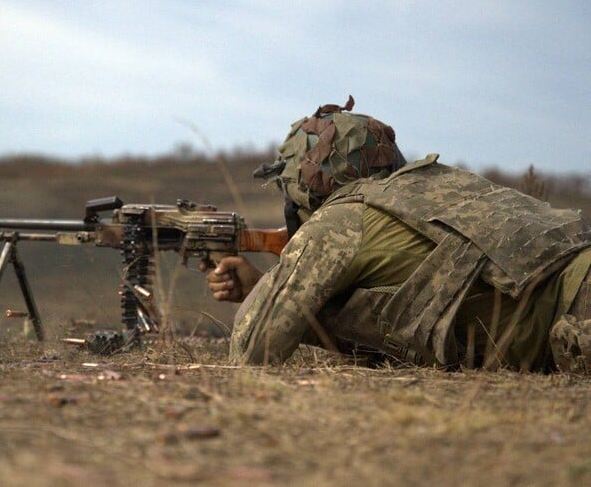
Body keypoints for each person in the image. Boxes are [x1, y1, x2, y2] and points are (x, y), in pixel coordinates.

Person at [204, 97, 591, 372]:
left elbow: (253, 349)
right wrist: (260, 284)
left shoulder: (341, 220)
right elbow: (384, 338)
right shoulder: (437, 189)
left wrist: (265, 292)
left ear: (307, 192)